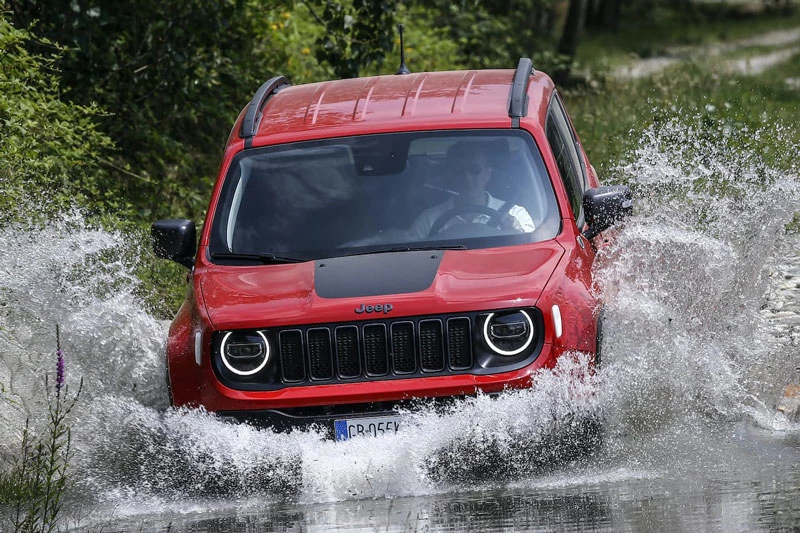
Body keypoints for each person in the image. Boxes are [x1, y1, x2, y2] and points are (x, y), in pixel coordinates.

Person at [409, 142, 535, 240]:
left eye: (475, 169)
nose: (467, 178)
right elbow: (411, 259)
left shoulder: (516, 214)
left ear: (488, 173)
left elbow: (534, 253)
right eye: (459, 170)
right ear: (451, 175)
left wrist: (516, 234)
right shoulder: (429, 219)